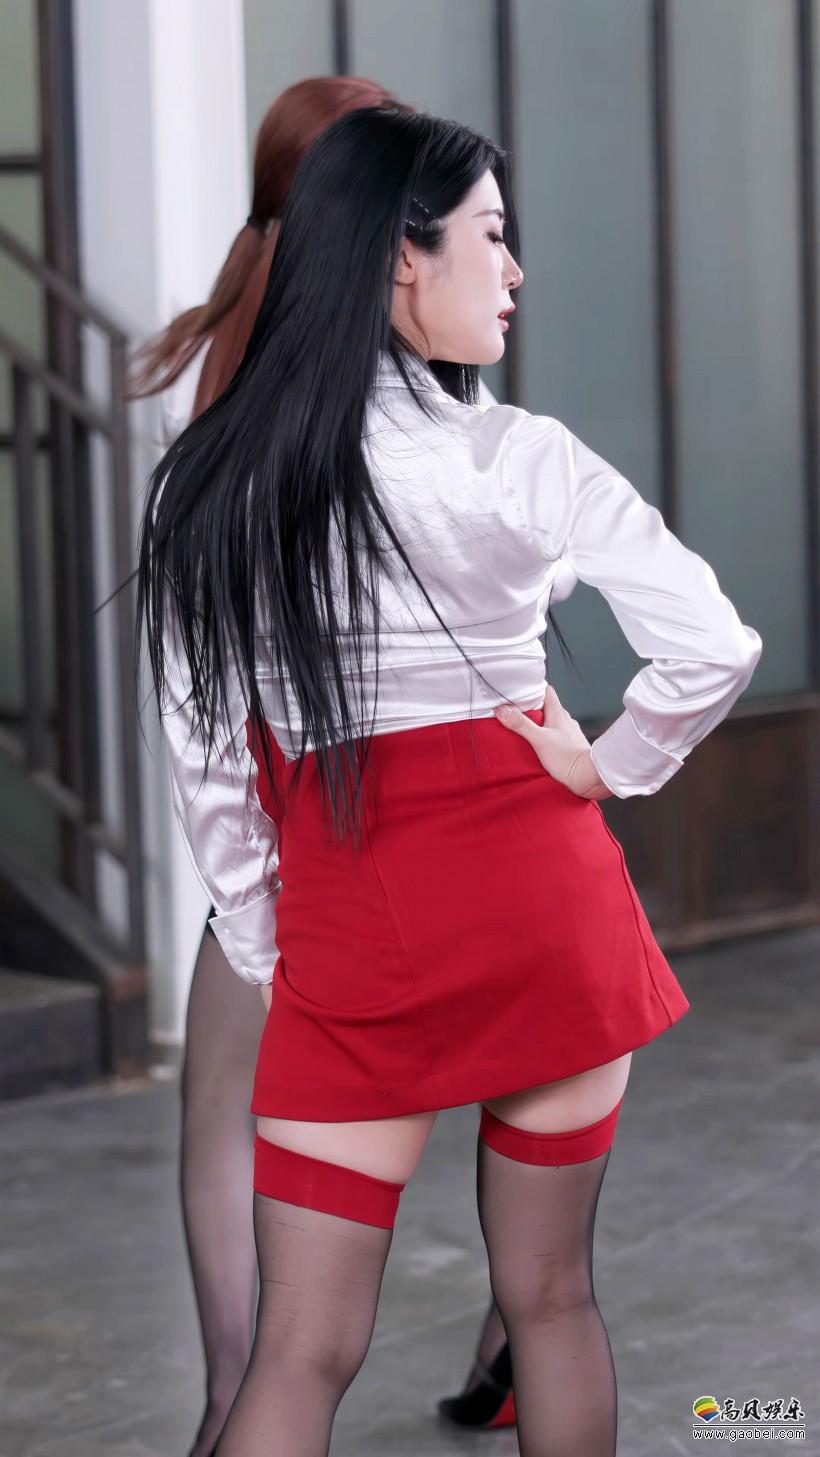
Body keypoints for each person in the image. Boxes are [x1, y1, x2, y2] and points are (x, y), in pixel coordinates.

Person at [137, 107, 761, 1457]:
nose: (515, 269)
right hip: (545, 898)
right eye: (491, 235)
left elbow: (203, 745)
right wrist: (612, 762)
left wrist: (264, 931)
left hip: (357, 914)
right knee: (552, 1300)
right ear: (399, 259)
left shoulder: (218, 479)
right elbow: (714, 643)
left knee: (300, 1349)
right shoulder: (518, 456)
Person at [130, 76, 542, 1454]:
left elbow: (202, 677)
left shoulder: (224, 378)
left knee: (223, 1105)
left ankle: (229, 1395)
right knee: (533, 1055)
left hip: (291, 813)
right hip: (438, 803)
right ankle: (523, 1323)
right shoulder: (414, 363)